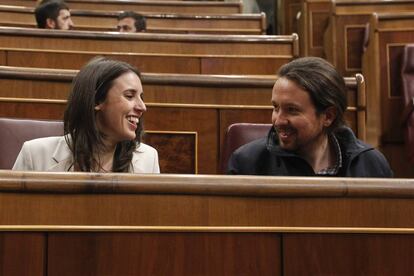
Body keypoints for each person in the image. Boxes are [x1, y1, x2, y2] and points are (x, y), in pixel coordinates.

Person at [228, 57, 393, 177]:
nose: (278, 120)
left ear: (328, 116)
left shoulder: (370, 165)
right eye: (276, 107)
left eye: (292, 110)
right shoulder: (246, 164)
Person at [13, 57, 160, 173]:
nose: (142, 107)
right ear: (96, 100)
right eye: (129, 96)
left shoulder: (148, 158)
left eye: (141, 97)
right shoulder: (35, 155)